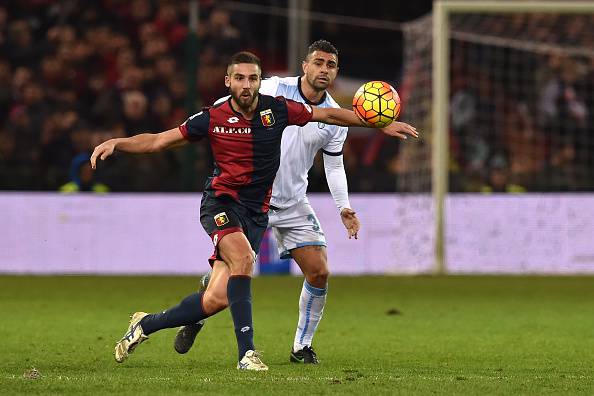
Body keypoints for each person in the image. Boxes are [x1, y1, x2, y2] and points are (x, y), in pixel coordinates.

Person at [90, 51, 417, 371]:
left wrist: (376, 123)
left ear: (260, 82)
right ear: (229, 81)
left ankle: (145, 324)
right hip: (222, 203)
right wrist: (119, 142)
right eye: (240, 78)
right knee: (245, 259)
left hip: (261, 210)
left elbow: (330, 116)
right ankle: (247, 353)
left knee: (216, 299)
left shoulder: (277, 110)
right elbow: (160, 141)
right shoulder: (213, 117)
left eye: (253, 78)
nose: (247, 85)